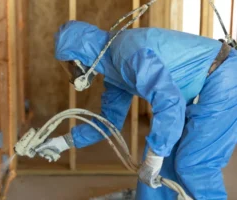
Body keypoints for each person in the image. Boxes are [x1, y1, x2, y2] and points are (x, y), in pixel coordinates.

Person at [34, 20, 237, 200]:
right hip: (208, 82)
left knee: (194, 164)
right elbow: (108, 122)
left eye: (70, 63)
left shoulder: (126, 51)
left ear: (81, 53)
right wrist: (62, 143)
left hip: (225, 77)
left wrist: (155, 155)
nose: (73, 71)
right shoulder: (113, 70)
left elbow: (170, 104)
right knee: (159, 165)